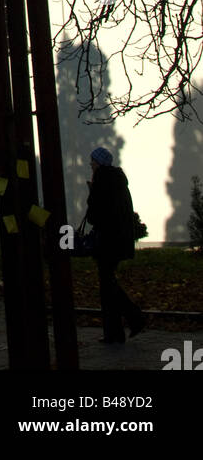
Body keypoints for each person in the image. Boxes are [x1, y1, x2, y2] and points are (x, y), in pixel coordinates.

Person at [85, 147, 145, 344]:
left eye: (93, 161)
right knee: (108, 284)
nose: (90, 164)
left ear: (99, 163)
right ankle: (116, 331)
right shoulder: (118, 180)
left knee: (108, 285)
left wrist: (91, 192)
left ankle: (133, 318)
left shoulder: (101, 180)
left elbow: (94, 215)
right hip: (119, 240)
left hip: (107, 241)